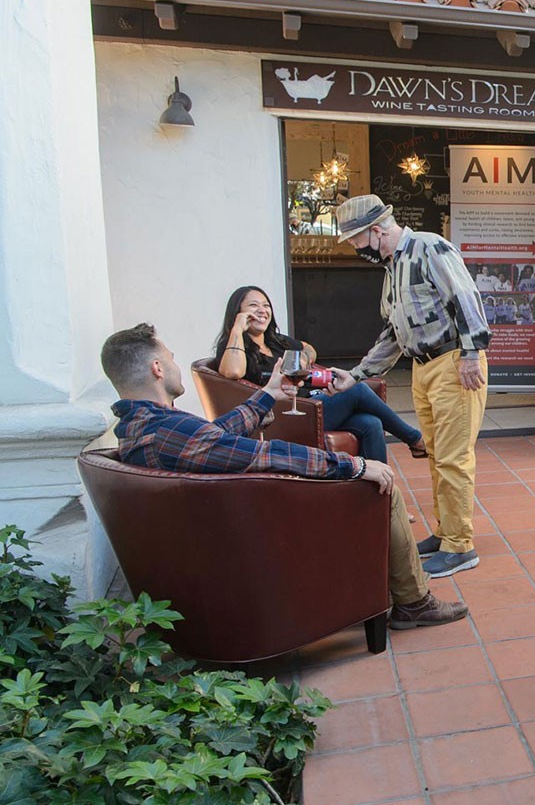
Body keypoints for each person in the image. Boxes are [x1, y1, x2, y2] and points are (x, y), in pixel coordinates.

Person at [100, 323, 468, 630]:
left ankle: (394, 586)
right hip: (260, 526)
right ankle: (414, 602)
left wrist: (266, 397)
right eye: (170, 359)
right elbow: (264, 454)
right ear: (157, 369)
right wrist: (352, 465)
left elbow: (213, 438)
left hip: (229, 523)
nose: (176, 364)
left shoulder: (145, 425)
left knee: (368, 423)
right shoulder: (165, 430)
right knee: (380, 487)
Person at [331, 195, 490, 579]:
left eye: (355, 240)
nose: (354, 248)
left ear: (376, 230)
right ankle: (445, 531)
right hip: (423, 367)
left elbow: (466, 297)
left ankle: (459, 546)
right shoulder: (393, 267)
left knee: (453, 456)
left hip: (454, 362)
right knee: (436, 454)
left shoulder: (429, 246)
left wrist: (471, 353)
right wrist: (358, 374)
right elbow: (392, 333)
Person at [212, 285, 426, 464]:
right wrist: (238, 329)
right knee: (357, 387)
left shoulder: (277, 342)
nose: (262, 310)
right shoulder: (235, 347)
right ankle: (415, 439)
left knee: (370, 423)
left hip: (307, 405)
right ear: (238, 311)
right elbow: (232, 371)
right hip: (281, 418)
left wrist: (304, 358)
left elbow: (309, 348)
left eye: (266, 305)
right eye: (253, 305)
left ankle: (382, 503)